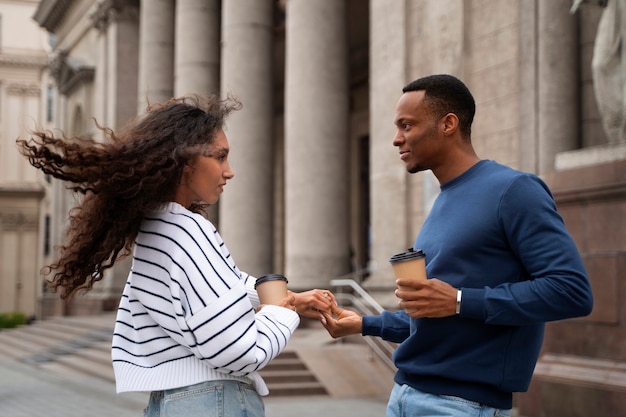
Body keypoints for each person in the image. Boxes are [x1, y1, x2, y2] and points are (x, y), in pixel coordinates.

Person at [17, 94, 336, 417]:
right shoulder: (186, 230)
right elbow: (239, 351)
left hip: (175, 399)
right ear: (185, 161)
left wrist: (291, 299)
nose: (229, 172)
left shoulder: (155, 227)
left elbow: (222, 288)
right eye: (220, 157)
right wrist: (281, 314)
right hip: (214, 400)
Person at [321, 74, 594, 417]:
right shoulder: (443, 200)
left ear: (448, 123)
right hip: (405, 394)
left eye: (406, 125)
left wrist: (461, 300)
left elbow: (571, 291)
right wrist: (363, 324)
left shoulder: (514, 190)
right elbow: (432, 315)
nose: (396, 139)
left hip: (461, 406)